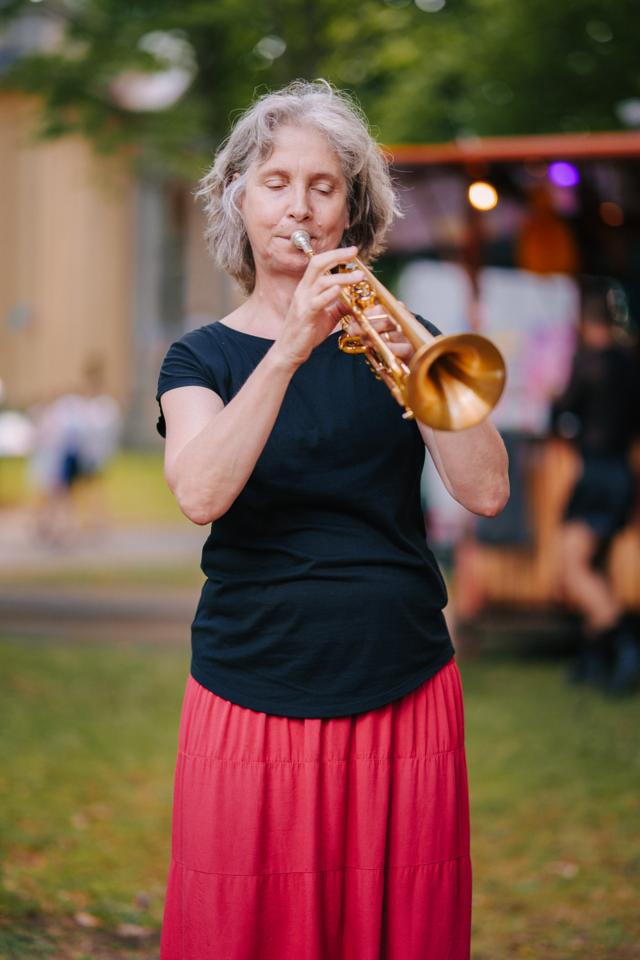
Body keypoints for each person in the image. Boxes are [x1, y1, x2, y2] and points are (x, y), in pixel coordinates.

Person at [156, 80, 509, 960]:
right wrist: (289, 348)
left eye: (323, 185)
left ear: (353, 209)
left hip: (403, 681)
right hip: (253, 686)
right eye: (276, 181)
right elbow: (200, 492)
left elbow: (488, 491)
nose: (300, 206)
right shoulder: (200, 356)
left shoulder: (406, 336)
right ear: (239, 195)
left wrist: (417, 367)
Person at [553, 282, 640, 694]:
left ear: (587, 324)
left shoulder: (588, 362)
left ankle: (625, 647)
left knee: (574, 570)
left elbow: (562, 412)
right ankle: (592, 661)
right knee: (595, 568)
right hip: (622, 474)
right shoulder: (630, 363)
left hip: (596, 475)